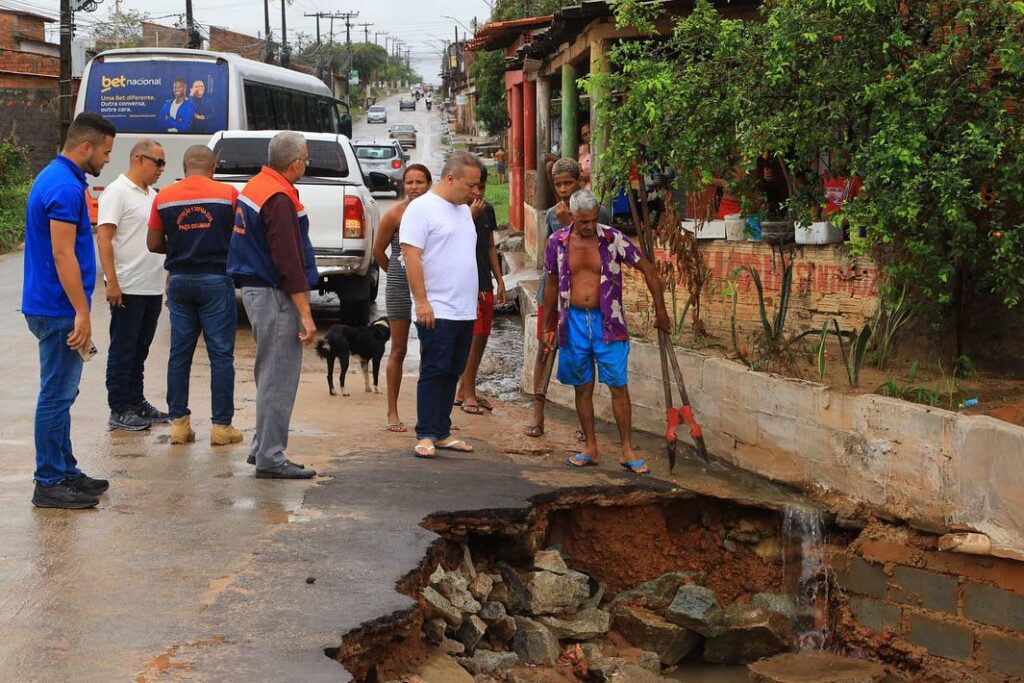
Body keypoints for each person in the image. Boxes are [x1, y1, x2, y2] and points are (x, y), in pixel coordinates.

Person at [541, 189, 671, 475]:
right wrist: (547, 326)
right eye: (583, 221)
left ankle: (627, 450)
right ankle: (590, 446)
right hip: (572, 323)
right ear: (573, 216)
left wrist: (661, 311)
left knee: (617, 385)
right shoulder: (557, 241)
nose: (589, 226)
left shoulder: (613, 239)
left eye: (593, 220)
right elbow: (551, 284)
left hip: (608, 322)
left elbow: (648, 269)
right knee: (582, 387)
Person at [23, 112, 116, 509]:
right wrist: (83, 311)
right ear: (85, 147)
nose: (108, 159)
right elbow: (63, 255)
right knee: (56, 396)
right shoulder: (63, 186)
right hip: (59, 307)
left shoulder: (61, 178)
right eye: (106, 152)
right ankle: (48, 481)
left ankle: (64, 469)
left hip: (54, 304)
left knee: (62, 392)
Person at [227, 131, 317, 479]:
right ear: (295, 164)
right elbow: (288, 261)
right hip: (273, 294)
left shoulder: (258, 186)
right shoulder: (277, 196)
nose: (306, 164)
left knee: (269, 373)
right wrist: (306, 312)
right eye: (306, 158)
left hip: (258, 291)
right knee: (279, 377)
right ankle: (271, 457)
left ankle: (260, 447)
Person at [147, 145, 243, 446]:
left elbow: (153, 243)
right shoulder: (228, 195)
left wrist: (179, 248)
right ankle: (221, 427)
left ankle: (179, 425)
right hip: (216, 279)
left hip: (179, 281)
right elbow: (241, 236)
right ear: (213, 166)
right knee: (220, 355)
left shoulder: (163, 197)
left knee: (179, 354)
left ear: (185, 165)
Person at [401, 151, 482, 458]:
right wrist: (421, 301)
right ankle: (425, 433)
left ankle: (442, 431)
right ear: (451, 178)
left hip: (463, 308)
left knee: (453, 370)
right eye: (470, 185)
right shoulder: (421, 209)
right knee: (435, 369)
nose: (475, 191)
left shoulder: (462, 211)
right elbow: (411, 256)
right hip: (436, 307)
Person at [524, 158, 611, 439]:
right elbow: (552, 260)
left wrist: (570, 223)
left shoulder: (598, 213)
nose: (562, 189)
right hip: (552, 293)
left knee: (584, 359)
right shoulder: (551, 214)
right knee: (544, 350)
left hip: (583, 299)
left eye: (568, 183)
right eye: (558, 184)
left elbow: (599, 249)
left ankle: (583, 425)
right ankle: (537, 416)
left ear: (579, 182)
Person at [97, 139, 170, 431]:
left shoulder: (152, 194)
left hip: (151, 286)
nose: (162, 169)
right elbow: (104, 238)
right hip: (127, 286)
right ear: (139, 159)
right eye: (158, 162)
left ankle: (136, 402)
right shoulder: (117, 192)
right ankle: (119, 407)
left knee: (141, 350)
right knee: (123, 350)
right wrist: (111, 281)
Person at [371, 164, 433, 432]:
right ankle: (392, 412)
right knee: (398, 349)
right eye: (409, 182)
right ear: (402, 185)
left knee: (428, 350)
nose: (414, 187)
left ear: (430, 184)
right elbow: (378, 251)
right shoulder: (395, 214)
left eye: (420, 182)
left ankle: (428, 413)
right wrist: (397, 273)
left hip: (430, 288)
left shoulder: (436, 213)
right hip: (398, 287)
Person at [455, 165, 506, 415]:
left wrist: (500, 279)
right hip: (466, 283)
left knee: (483, 335)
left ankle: (464, 389)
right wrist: (470, 217)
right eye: (472, 187)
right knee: (472, 338)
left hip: (484, 281)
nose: (477, 193)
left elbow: (489, 247)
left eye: (481, 188)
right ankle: (468, 392)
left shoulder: (487, 210)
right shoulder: (457, 211)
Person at [578, 123, 592, 190]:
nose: (589, 136)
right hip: (584, 185)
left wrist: (590, 176)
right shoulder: (582, 150)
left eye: (590, 132)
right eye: (585, 135)